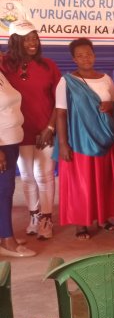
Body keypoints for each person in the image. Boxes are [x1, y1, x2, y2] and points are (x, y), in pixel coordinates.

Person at [55, 38, 114, 240]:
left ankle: (103, 219)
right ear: (74, 59)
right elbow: (61, 113)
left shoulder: (106, 79)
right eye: (80, 55)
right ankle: (81, 224)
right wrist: (63, 144)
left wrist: (110, 106)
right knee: (82, 184)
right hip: (79, 141)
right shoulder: (66, 82)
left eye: (89, 54)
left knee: (103, 181)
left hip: (105, 140)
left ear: (94, 55)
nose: (86, 58)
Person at [0, 20, 60, 240]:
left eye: (35, 38)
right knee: (26, 176)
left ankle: (46, 219)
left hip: (45, 130)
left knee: (44, 175)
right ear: (15, 41)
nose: (32, 43)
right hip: (17, 132)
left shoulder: (48, 66)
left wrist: (50, 127)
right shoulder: (5, 65)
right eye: (26, 39)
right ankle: (34, 216)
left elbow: (60, 101)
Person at [0, 69, 35, 257]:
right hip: (2, 144)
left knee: (5, 191)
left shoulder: (2, 74)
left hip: (11, 141)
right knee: (4, 192)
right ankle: (8, 241)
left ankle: (3, 234)